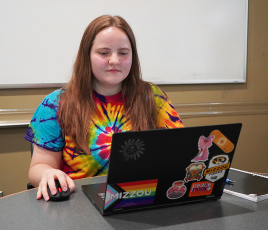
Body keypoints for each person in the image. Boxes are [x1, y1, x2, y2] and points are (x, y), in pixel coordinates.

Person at [25, 15, 184, 201]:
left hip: (142, 199)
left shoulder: (153, 97)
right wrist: (47, 174)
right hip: (79, 206)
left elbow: (180, 151)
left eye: (123, 53)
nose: (114, 60)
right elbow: (38, 167)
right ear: (87, 56)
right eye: (104, 53)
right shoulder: (55, 104)